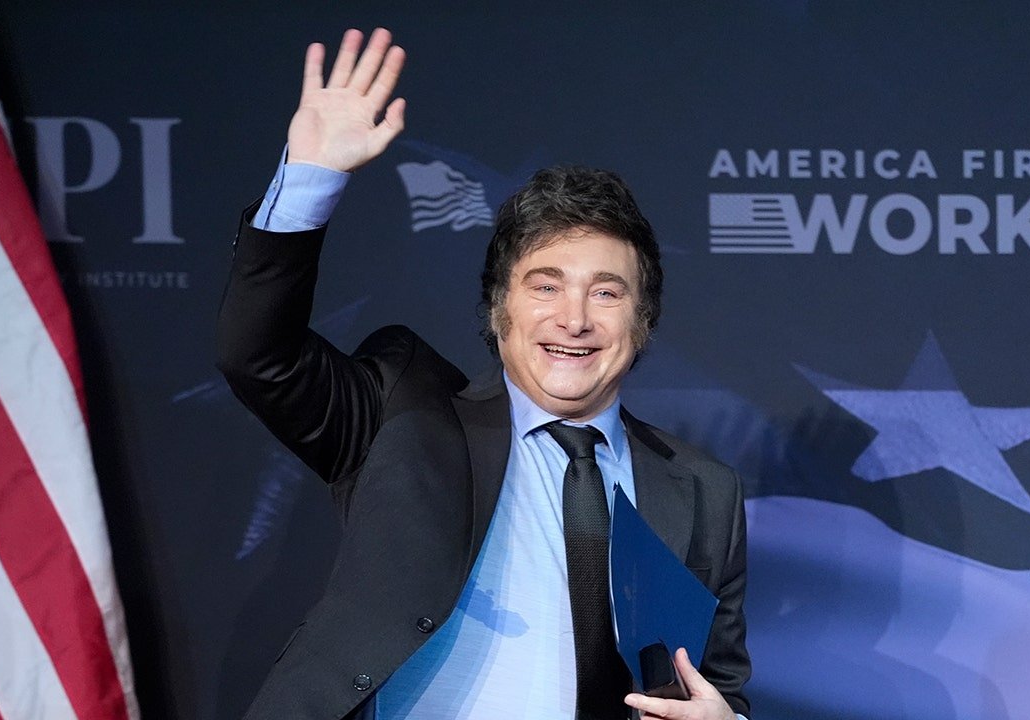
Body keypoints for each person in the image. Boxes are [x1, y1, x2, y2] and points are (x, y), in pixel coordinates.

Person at [217, 27, 751, 720]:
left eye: (606, 292)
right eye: (546, 286)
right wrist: (310, 182)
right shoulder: (405, 412)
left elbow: (718, 685)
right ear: (500, 308)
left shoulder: (705, 490)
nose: (574, 319)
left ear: (642, 319)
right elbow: (258, 356)